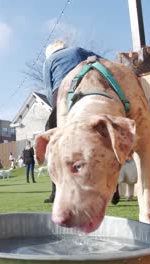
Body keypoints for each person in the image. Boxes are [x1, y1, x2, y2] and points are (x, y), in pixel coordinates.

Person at [42, 40, 101, 202]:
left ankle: (55, 192)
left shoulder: (48, 62)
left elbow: (48, 88)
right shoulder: (77, 50)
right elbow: (100, 60)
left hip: (62, 93)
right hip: (86, 90)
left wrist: (55, 111)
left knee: (53, 142)